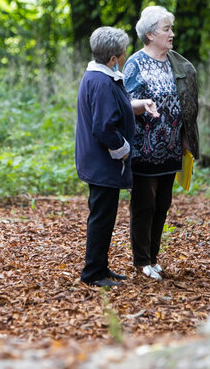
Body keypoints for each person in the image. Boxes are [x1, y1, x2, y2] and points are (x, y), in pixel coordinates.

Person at [75, 27, 159, 287]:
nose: (125, 55)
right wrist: (123, 150)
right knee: (101, 217)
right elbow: (103, 127)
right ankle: (93, 273)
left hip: (100, 162)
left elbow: (115, 108)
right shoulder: (101, 83)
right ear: (113, 58)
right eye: (123, 52)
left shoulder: (105, 76)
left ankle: (101, 266)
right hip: (102, 163)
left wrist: (137, 104)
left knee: (105, 215)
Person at [123, 6, 199, 280]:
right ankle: (141, 260)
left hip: (171, 149)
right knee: (144, 205)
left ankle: (153, 257)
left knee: (163, 203)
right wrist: (142, 105)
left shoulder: (176, 63)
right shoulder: (135, 63)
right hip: (143, 150)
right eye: (167, 29)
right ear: (150, 33)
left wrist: (187, 139)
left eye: (171, 28)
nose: (172, 34)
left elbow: (188, 104)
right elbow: (125, 103)